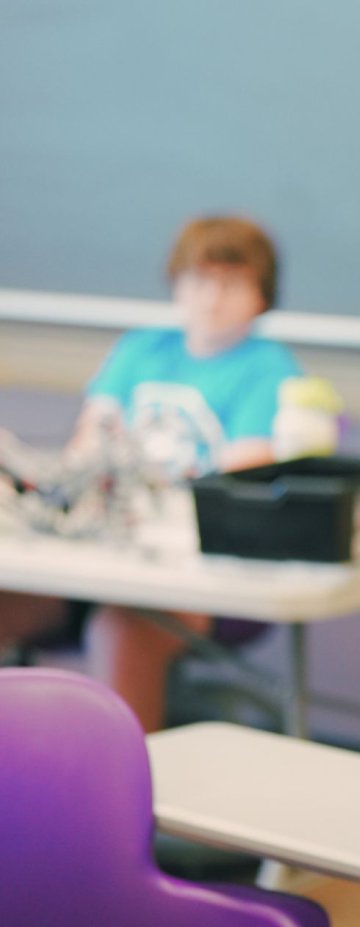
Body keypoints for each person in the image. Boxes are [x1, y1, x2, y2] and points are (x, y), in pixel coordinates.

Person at [0, 214, 301, 730]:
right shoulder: (141, 349)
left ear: (260, 294)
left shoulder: (268, 368)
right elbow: (88, 446)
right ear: (177, 283)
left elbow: (243, 473)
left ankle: (118, 798)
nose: (211, 298)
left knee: (121, 627)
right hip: (101, 557)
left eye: (231, 283)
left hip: (193, 582)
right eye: (199, 279)